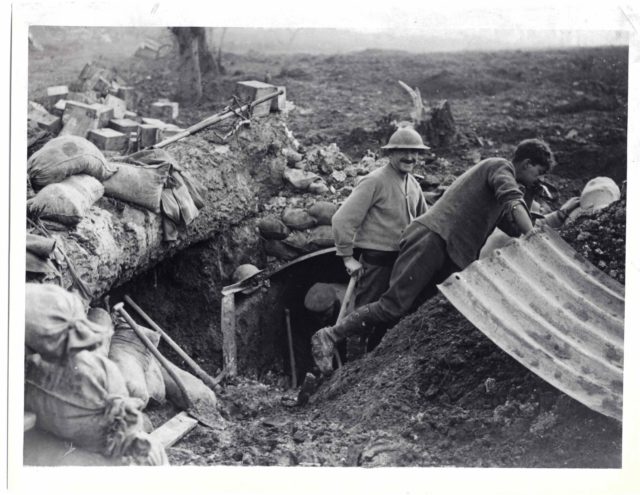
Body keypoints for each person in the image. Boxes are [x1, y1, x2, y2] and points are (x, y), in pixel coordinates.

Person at [311, 138, 556, 376]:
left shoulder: (504, 191)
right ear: (525, 163)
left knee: (422, 312)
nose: (540, 178)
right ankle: (330, 335)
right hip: (433, 239)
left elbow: (514, 227)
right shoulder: (499, 167)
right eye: (539, 172)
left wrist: (533, 196)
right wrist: (533, 235)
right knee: (392, 307)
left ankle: (378, 369)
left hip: (450, 251)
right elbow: (514, 204)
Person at [331, 125, 429, 355]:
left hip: (402, 263)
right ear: (390, 153)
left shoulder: (413, 184)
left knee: (394, 317)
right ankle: (351, 370)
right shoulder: (374, 181)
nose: (410, 157)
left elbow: (425, 220)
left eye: (415, 152)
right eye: (403, 152)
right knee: (362, 319)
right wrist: (347, 258)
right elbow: (341, 219)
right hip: (376, 264)